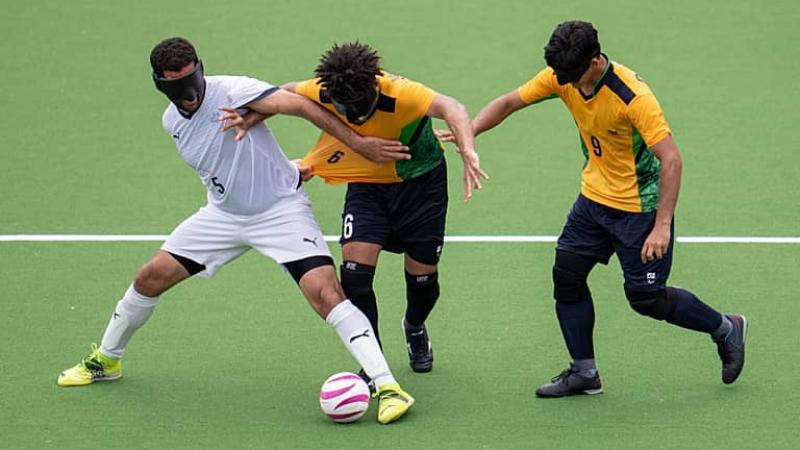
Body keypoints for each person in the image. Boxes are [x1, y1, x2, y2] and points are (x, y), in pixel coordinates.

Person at [57, 37, 414, 424]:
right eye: (177, 85)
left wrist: (359, 144)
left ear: (201, 69)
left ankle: (387, 386)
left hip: (281, 212)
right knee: (149, 277)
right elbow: (222, 166)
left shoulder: (235, 90)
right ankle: (106, 361)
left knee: (325, 293)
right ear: (161, 85)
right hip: (223, 216)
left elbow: (300, 105)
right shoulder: (171, 122)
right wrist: (283, 165)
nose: (190, 92)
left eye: (193, 79)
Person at [440, 21, 747, 397]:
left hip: (640, 208)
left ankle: (726, 328)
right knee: (566, 276)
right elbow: (509, 103)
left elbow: (672, 161)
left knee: (646, 300)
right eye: (561, 76)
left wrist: (662, 225)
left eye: (573, 75)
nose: (566, 83)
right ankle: (584, 373)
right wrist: (468, 133)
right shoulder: (562, 75)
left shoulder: (633, 96)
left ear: (596, 60)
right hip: (594, 200)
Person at [226, 42, 488, 376]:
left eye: (359, 106)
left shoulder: (401, 93)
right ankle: (373, 362)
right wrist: (252, 117)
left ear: (374, 87)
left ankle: (414, 326)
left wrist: (467, 150)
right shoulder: (328, 89)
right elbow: (286, 94)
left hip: (422, 187)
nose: (353, 114)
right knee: (354, 276)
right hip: (367, 188)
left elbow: (453, 108)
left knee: (423, 279)